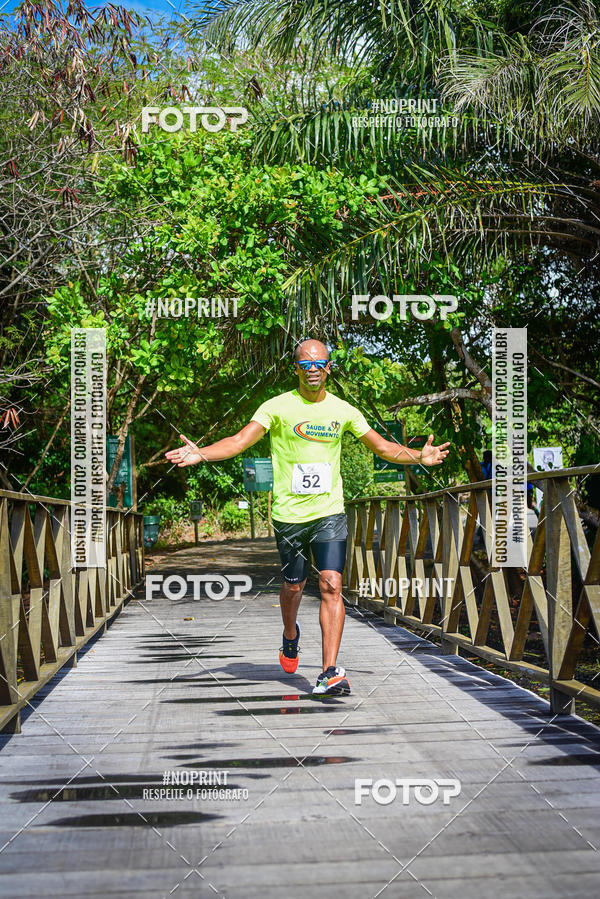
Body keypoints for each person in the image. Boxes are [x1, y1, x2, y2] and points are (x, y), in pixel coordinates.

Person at [165, 339, 450, 695]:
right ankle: (290, 635)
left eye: (319, 364)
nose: (312, 370)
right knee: (294, 586)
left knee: (331, 583)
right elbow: (239, 441)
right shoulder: (277, 407)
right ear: (295, 368)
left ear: (329, 367)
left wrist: (417, 457)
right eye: (305, 365)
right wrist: (202, 454)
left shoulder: (344, 410)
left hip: (329, 512)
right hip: (289, 515)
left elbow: (383, 447)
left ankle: (330, 671)